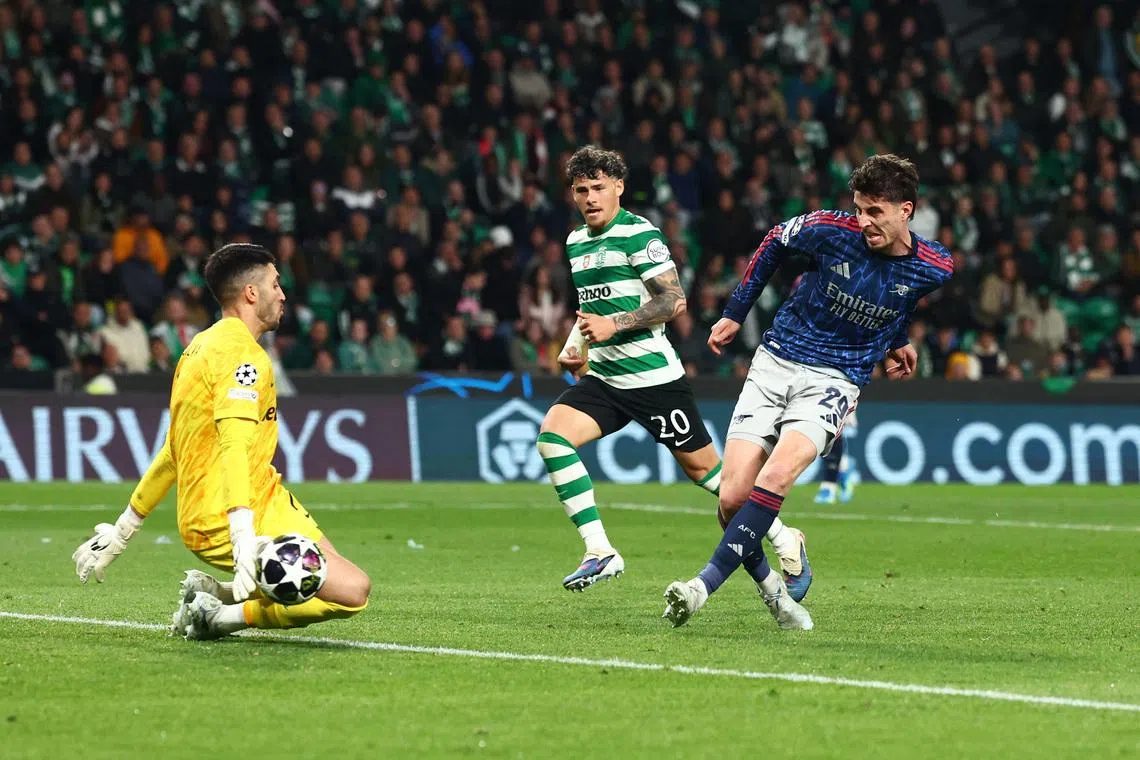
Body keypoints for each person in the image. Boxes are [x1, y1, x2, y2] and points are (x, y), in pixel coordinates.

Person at [662, 154, 953, 630]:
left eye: (876, 212)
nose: (864, 222)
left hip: (836, 378)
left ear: (907, 210)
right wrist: (736, 310)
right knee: (732, 499)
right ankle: (778, 592)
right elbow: (775, 239)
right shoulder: (829, 229)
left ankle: (700, 588)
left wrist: (896, 340)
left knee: (774, 480)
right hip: (776, 360)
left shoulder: (936, 266)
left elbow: (900, 294)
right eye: (859, 208)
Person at [536, 145, 811, 595]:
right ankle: (599, 550)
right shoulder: (575, 242)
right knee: (552, 439)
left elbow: (673, 301)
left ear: (619, 187)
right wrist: (575, 345)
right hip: (605, 378)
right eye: (582, 190)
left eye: (599, 188)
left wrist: (616, 324)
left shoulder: (639, 236)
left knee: (714, 481)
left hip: (653, 380)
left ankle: (785, 536)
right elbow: (591, 309)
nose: (590, 198)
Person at [71, 243, 371, 640]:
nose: (282, 294)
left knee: (328, 577)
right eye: (276, 284)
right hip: (222, 515)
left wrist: (123, 530)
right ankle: (219, 617)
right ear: (251, 293)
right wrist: (243, 537)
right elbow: (231, 445)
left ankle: (215, 593)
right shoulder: (244, 359)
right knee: (352, 592)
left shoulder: (197, 347)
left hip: (265, 494)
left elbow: (173, 451)